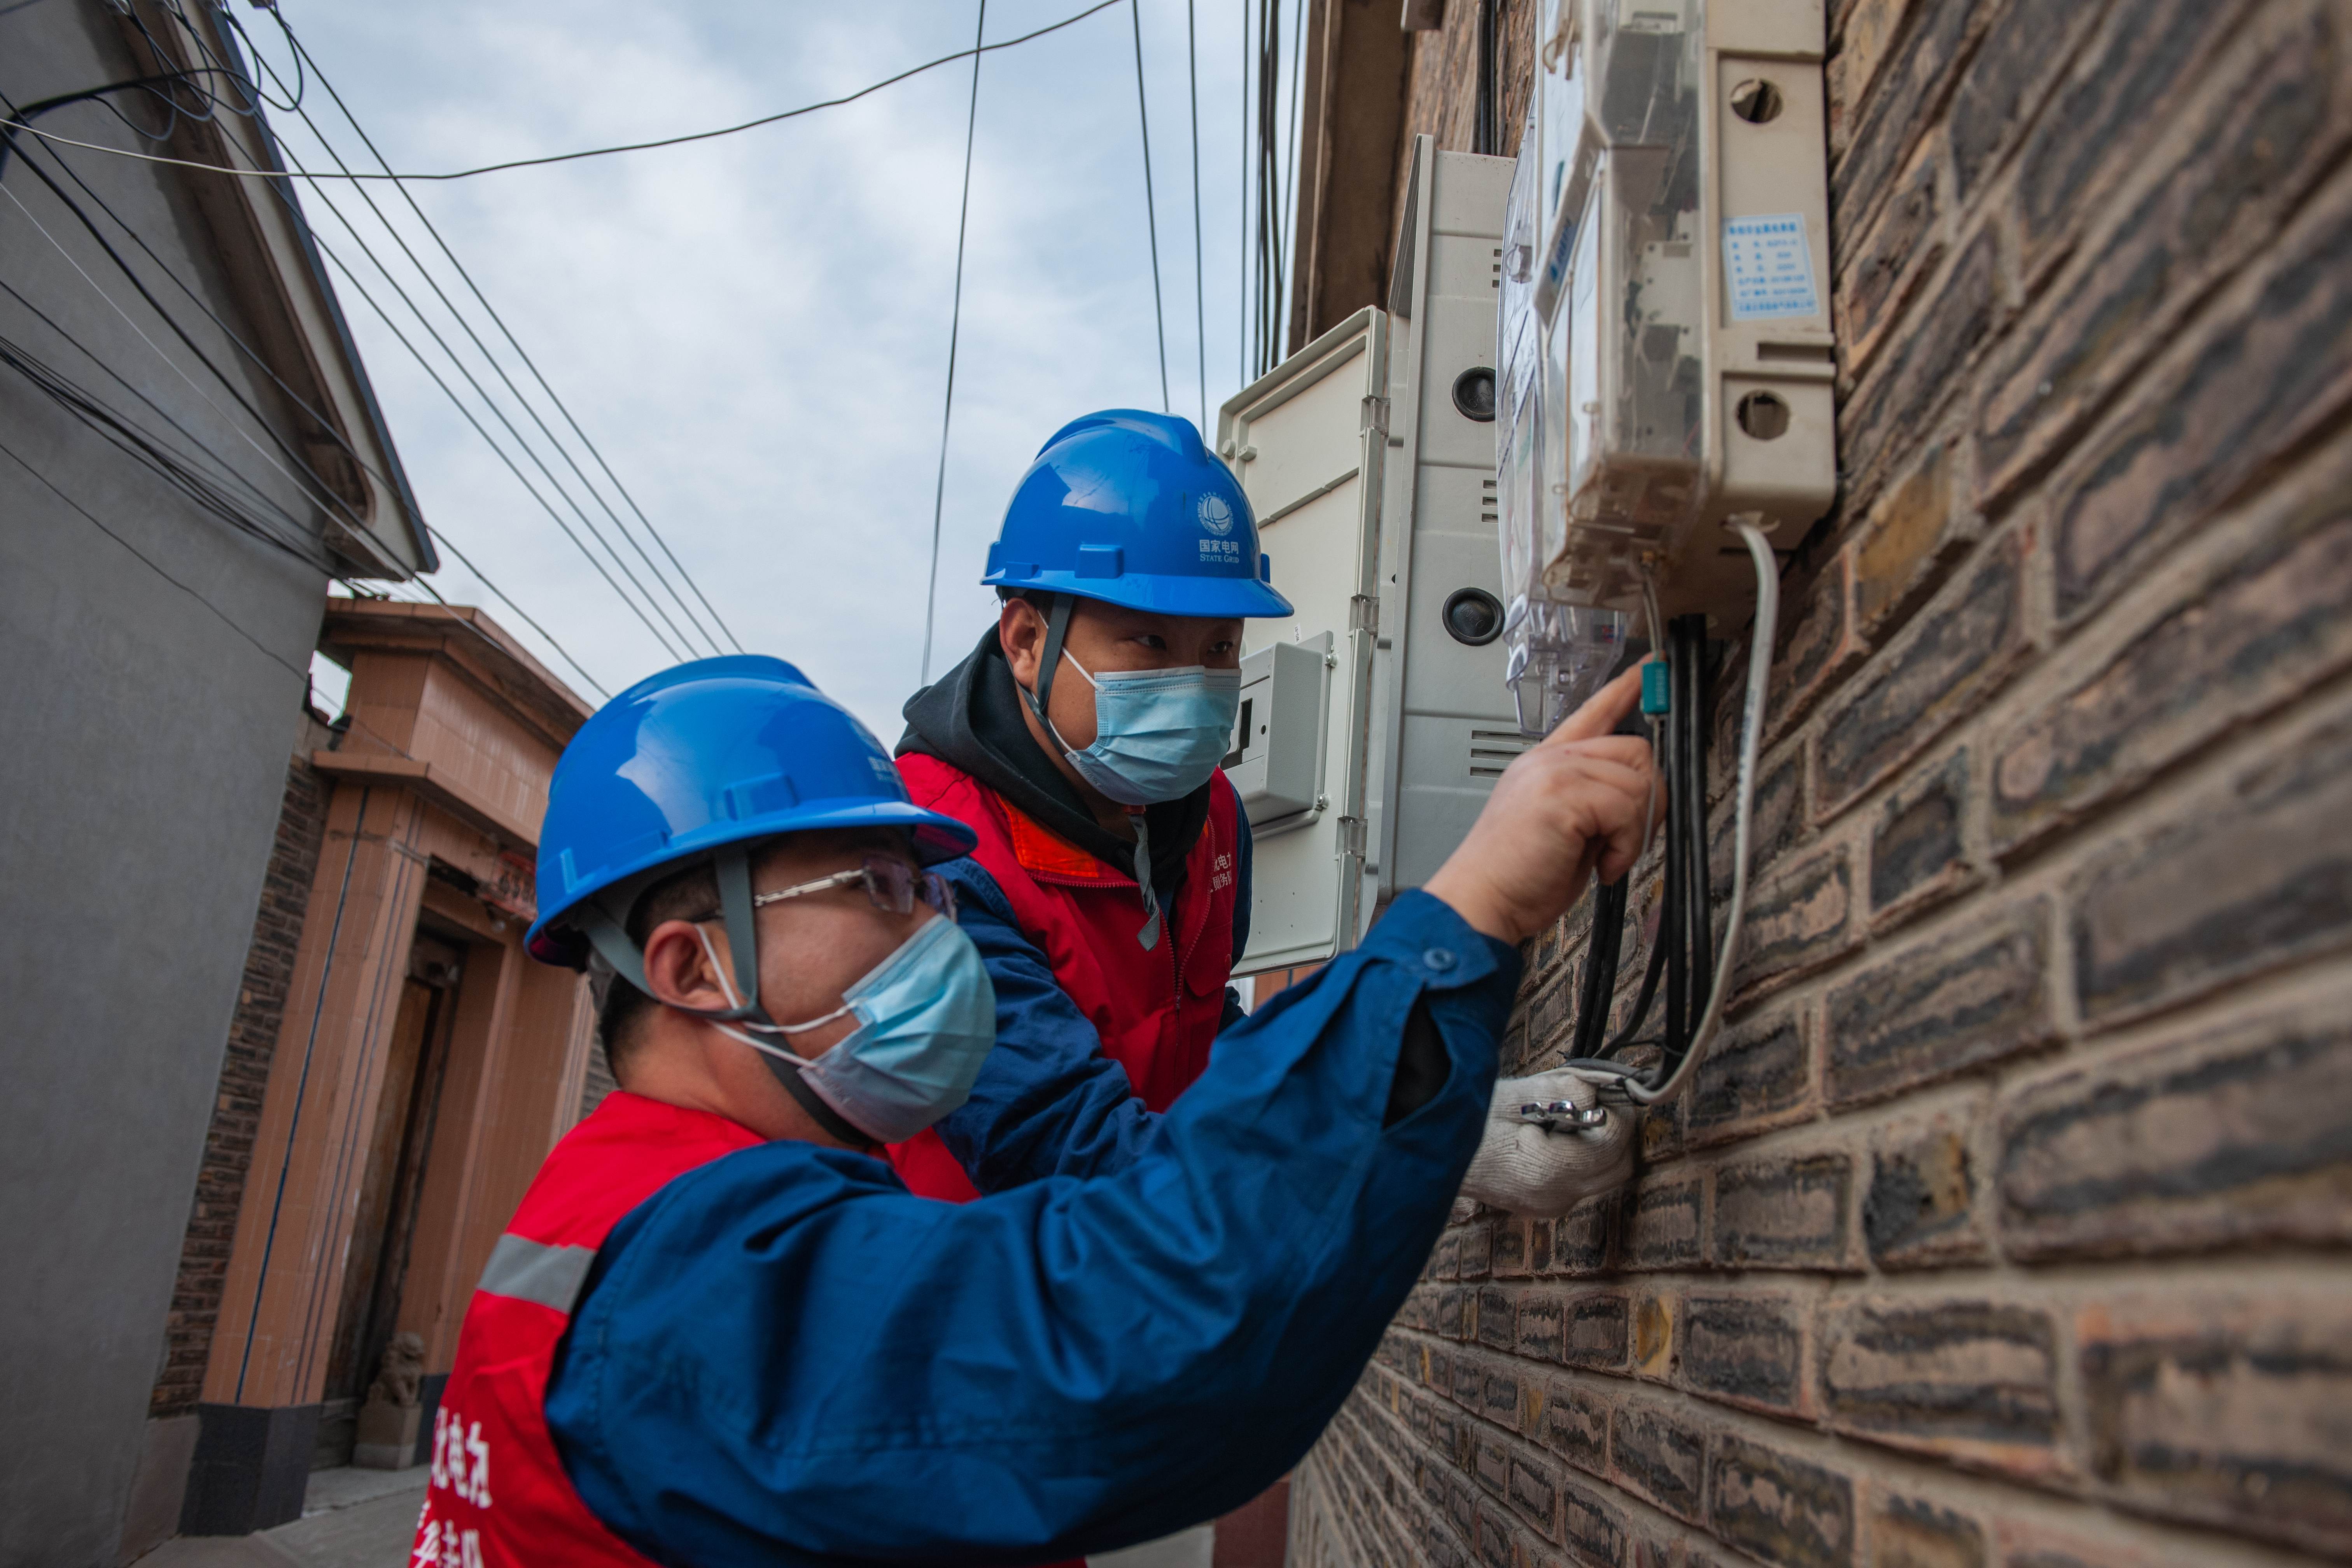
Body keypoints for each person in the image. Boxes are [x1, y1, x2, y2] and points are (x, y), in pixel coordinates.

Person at [410, 652, 1656, 1567]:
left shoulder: (631, 1205)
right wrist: (1468, 914)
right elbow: (1134, 1334)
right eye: (887, 887)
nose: (941, 933)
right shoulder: (704, 1274)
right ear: (695, 968)